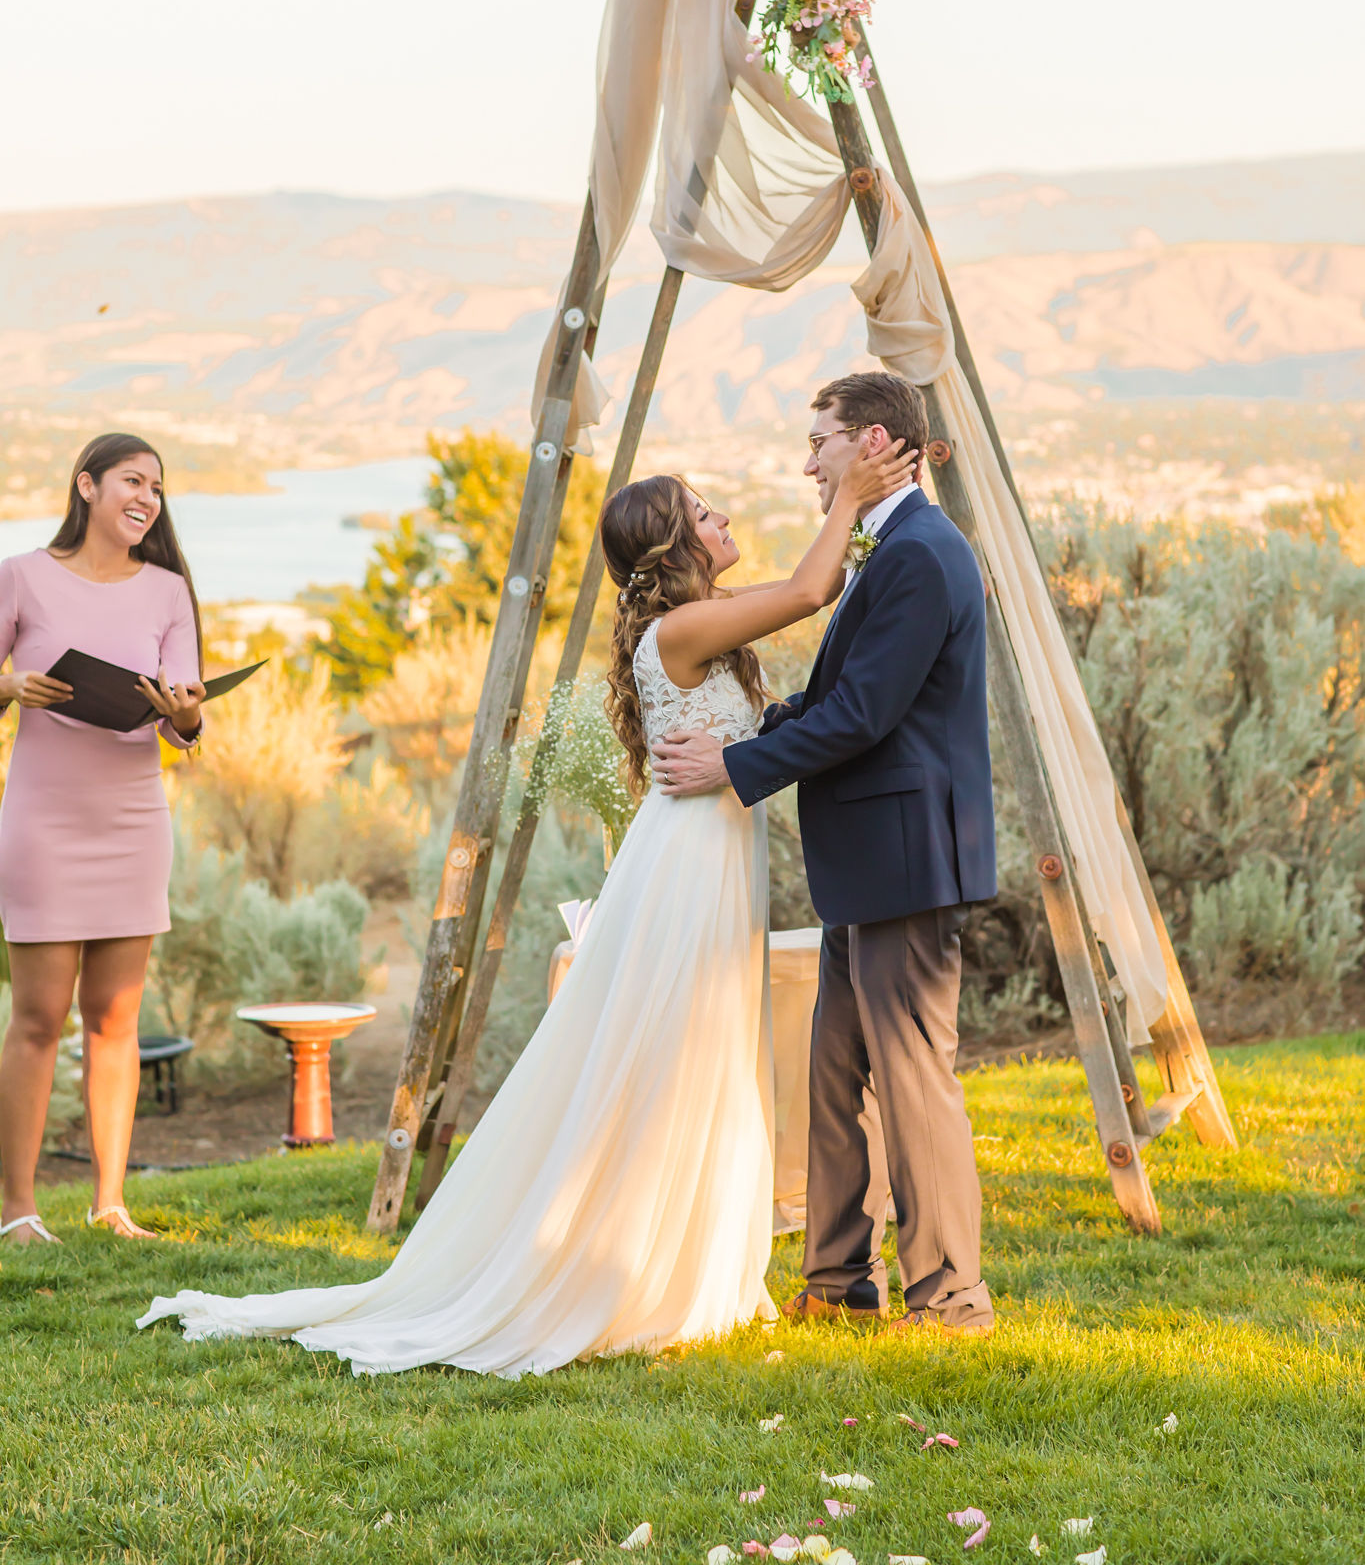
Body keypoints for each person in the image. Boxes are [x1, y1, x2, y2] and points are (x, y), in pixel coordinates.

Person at [137, 433, 916, 1377]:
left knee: (706, 1047)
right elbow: (804, 592)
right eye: (704, 513)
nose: (722, 521)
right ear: (672, 549)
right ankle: (625, 1264)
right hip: (686, 867)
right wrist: (855, 497)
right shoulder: (679, 631)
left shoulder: (697, 624)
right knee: (672, 1049)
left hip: (713, 854)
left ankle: (684, 1253)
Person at [654, 371, 998, 1335]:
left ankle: (949, 1297)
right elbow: (831, 695)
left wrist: (735, 764)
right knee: (835, 1071)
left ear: (874, 442)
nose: (808, 462)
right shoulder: (885, 548)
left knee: (911, 1076)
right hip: (867, 858)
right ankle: (841, 1283)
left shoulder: (923, 554)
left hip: (906, 855)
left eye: (820, 442)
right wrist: (756, 725)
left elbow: (865, 713)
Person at [0, 433, 206, 1248]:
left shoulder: (166, 590)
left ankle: (110, 1204)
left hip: (132, 816)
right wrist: (12, 684)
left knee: (115, 1018)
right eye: (133, 480)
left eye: (157, 486)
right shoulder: (19, 575)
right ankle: (17, 1210)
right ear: (86, 485)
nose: (148, 497)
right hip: (44, 820)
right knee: (39, 1017)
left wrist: (185, 713)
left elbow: (188, 713)